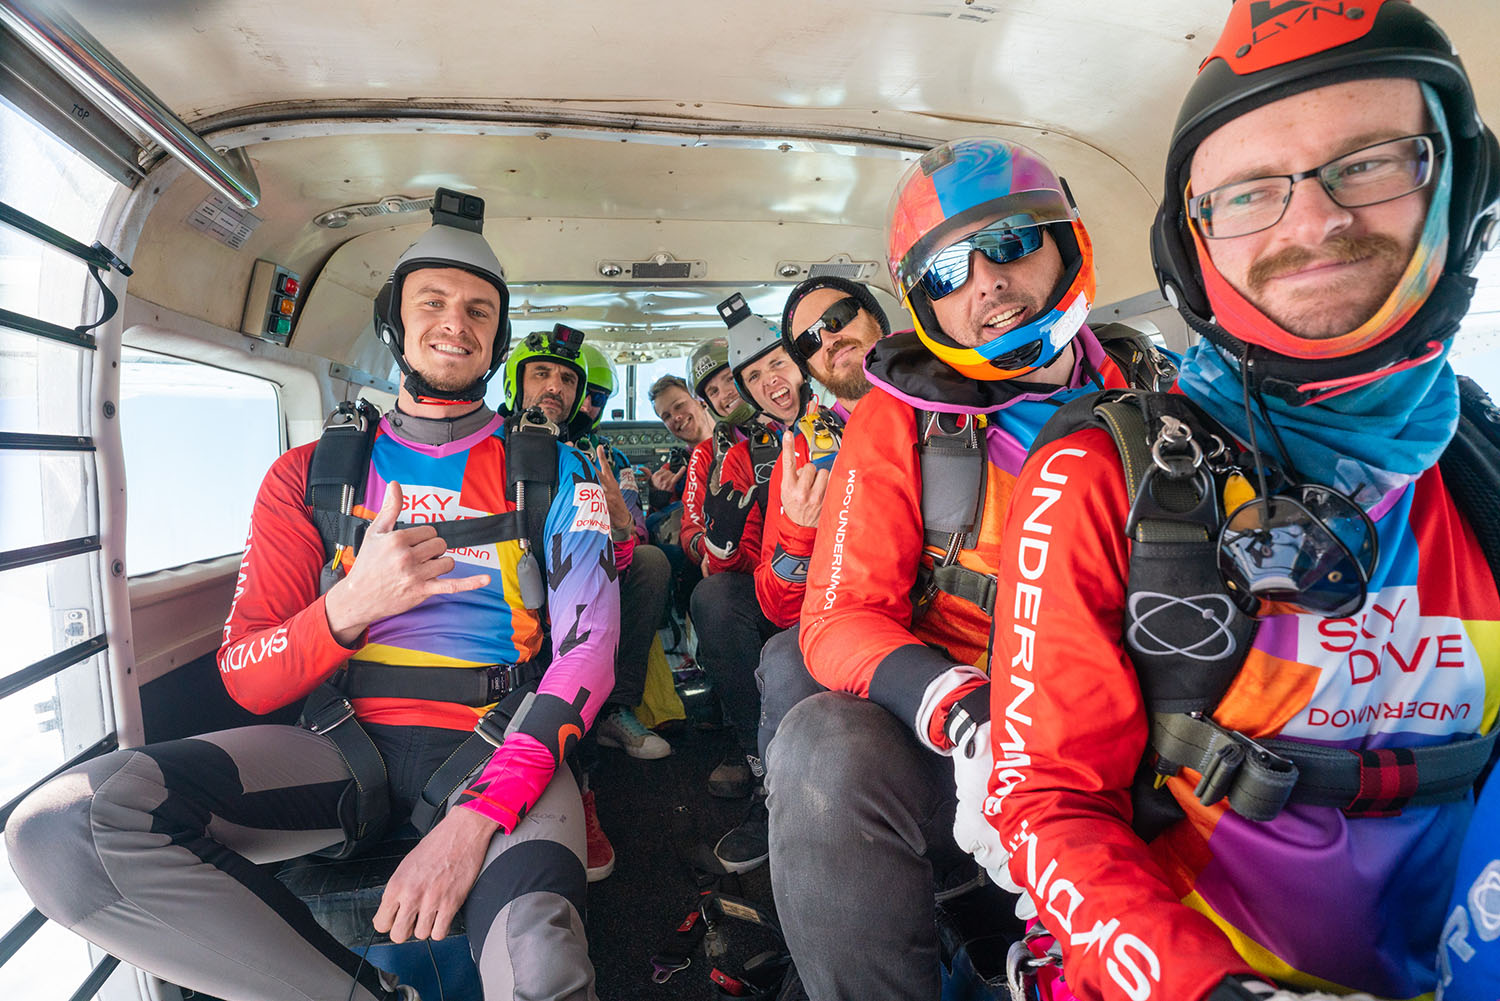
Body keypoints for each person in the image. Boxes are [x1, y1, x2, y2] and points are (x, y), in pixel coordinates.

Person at [970, 4, 1500, 1000]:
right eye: (1252, 190)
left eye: (1374, 159)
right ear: (1194, 247)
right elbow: (1041, 801)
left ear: (1463, 186)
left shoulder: (1481, 458)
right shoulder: (1100, 470)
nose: (1315, 220)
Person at [6, 199, 620, 1001]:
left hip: (503, 744)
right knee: (62, 830)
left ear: (497, 337)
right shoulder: (308, 476)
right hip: (341, 745)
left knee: (545, 973)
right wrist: (350, 605)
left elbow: (589, 650)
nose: (454, 324)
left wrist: (478, 817)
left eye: (478, 309)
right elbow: (247, 674)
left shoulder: (556, 472)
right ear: (395, 323)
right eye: (430, 301)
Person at [766, 137, 1171, 1000]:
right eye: (949, 269)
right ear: (925, 301)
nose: (986, 281)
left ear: (1066, 243)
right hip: (971, 726)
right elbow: (833, 616)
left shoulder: (1163, 391)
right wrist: (964, 711)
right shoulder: (895, 422)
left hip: (1146, 716)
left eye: (1013, 242)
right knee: (818, 747)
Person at [710, 277, 892, 875]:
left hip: (908, 601)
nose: (771, 382)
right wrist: (790, 530)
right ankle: (778, 797)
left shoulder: (876, 417)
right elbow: (770, 592)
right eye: (753, 379)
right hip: (824, 605)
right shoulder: (774, 454)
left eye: (778, 365)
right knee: (785, 653)